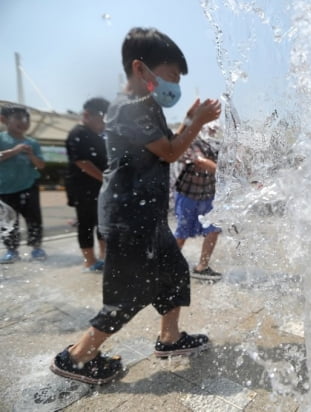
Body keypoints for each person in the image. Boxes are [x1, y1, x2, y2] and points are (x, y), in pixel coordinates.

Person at [49, 27, 222, 385]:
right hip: (130, 217)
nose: (175, 85)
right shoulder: (128, 108)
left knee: (174, 272)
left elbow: (167, 143)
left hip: (147, 215)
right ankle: (78, 357)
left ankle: (170, 339)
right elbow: (173, 152)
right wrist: (197, 123)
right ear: (142, 70)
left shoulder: (147, 107)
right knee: (129, 291)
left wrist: (188, 122)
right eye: (172, 76)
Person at [65, 98, 109, 272]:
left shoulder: (98, 135)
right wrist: (105, 179)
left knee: (102, 223)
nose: (104, 124)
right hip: (82, 187)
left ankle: (104, 256)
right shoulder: (78, 133)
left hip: (99, 187)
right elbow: (82, 162)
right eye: (102, 119)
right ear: (87, 115)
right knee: (86, 223)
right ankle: (89, 261)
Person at [174, 124, 222, 282]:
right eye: (210, 129)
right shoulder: (193, 142)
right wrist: (224, 170)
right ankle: (167, 264)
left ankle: (202, 266)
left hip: (208, 195)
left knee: (213, 230)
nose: (213, 132)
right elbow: (200, 161)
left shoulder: (216, 145)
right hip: (187, 196)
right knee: (182, 233)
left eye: (215, 129)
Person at [0, 105, 47, 263]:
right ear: (3, 120)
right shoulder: (1, 139)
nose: (24, 122)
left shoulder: (32, 143)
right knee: (8, 221)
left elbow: (41, 165)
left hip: (29, 186)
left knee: (34, 218)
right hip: (4, 188)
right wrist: (14, 151)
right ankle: (11, 250)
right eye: (18, 118)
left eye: (26, 119)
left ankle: (36, 248)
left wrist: (32, 155)